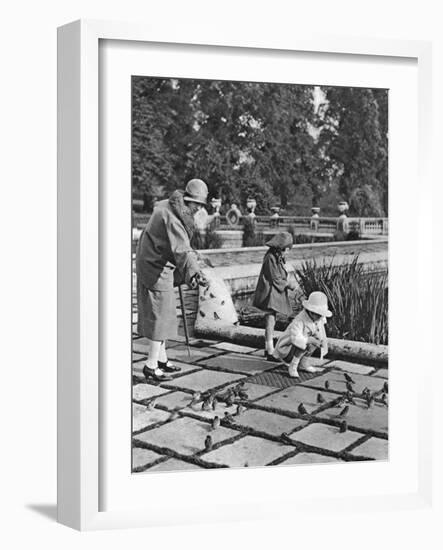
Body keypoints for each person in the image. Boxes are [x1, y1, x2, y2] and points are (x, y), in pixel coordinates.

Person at [136, 178, 209, 382]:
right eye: (197, 205)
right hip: (154, 267)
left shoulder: (169, 207)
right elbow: (182, 250)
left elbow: (179, 248)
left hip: (155, 261)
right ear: (188, 200)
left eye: (201, 205)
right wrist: (195, 273)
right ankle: (150, 365)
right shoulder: (174, 217)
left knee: (166, 312)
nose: (198, 209)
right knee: (160, 315)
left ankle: (161, 360)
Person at [252, 232, 296, 361]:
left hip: (273, 291)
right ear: (281, 248)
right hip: (270, 292)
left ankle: (269, 347)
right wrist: (288, 285)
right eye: (287, 249)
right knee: (270, 318)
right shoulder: (271, 257)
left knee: (272, 317)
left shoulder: (276, 256)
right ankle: (270, 349)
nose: (287, 252)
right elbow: (276, 278)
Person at [273, 291, 331, 378]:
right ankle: (293, 365)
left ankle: (303, 363)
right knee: (307, 342)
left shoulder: (317, 319)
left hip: (300, 344)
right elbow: (295, 338)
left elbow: (320, 330)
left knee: (316, 339)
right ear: (311, 312)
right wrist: (309, 340)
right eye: (318, 315)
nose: (320, 318)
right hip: (287, 348)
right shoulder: (299, 320)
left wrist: (319, 340)